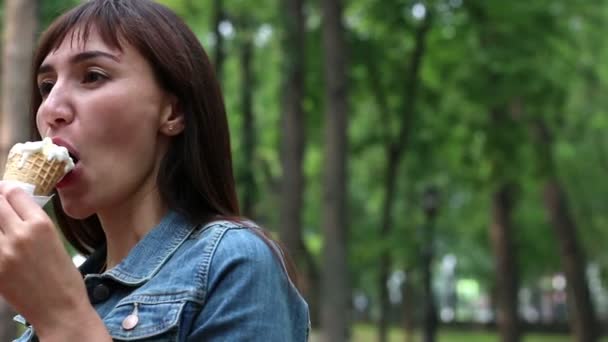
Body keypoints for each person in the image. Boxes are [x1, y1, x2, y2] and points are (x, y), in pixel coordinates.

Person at [0, 0, 310, 341]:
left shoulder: (234, 265)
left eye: (92, 76)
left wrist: (60, 316)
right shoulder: (64, 294)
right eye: (46, 86)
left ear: (172, 112)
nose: (51, 109)